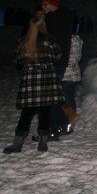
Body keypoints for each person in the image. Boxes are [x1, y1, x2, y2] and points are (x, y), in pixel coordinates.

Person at [3, 16, 64, 153]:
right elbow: (57, 56)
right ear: (44, 26)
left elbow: (18, 61)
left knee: (26, 113)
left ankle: (17, 144)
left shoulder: (23, 42)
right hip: (47, 80)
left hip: (30, 81)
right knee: (45, 112)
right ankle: (43, 143)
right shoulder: (50, 42)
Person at [40, 0, 76, 140]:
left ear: (52, 4)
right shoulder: (63, 16)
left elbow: (50, 42)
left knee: (52, 98)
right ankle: (62, 126)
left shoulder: (53, 19)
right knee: (59, 96)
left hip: (55, 62)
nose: (43, 6)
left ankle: (53, 130)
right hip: (60, 62)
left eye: (45, 4)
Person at [60, 33, 84, 135]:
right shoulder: (78, 39)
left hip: (66, 74)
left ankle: (66, 124)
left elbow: (69, 58)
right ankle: (70, 124)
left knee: (64, 101)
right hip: (74, 74)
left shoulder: (66, 39)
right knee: (69, 98)